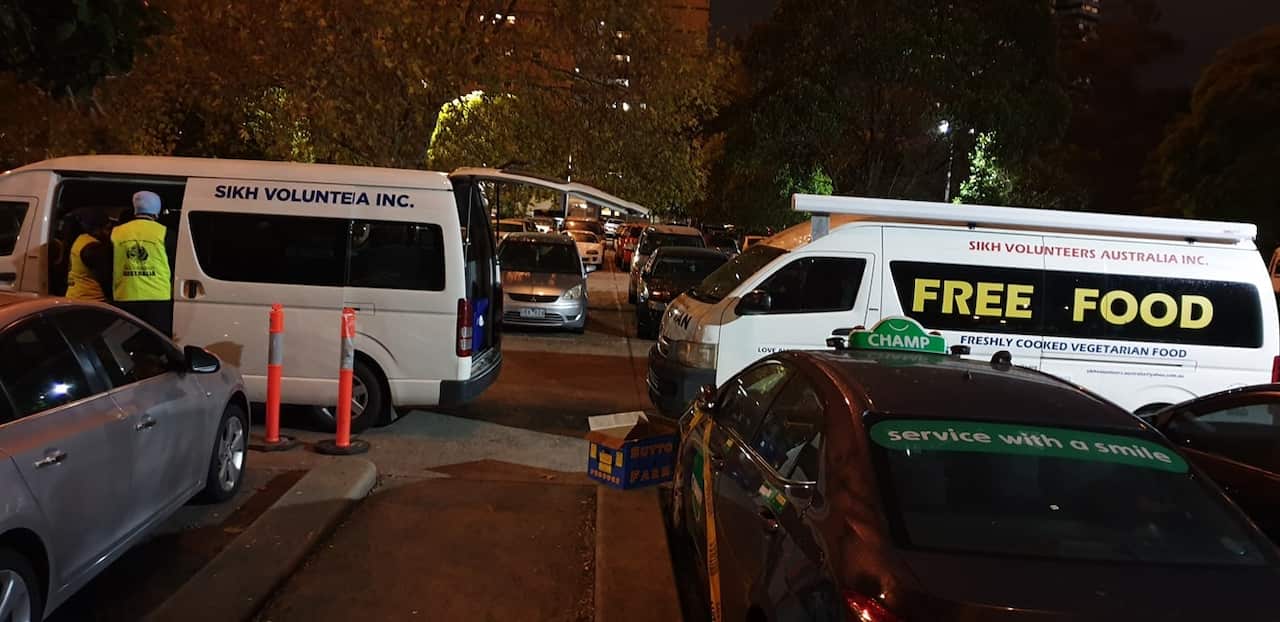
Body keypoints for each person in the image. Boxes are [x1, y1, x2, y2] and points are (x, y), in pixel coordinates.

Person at [112, 191, 172, 335]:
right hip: (158, 298)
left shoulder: (116, 232)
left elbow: (108, 265)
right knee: (155, 341)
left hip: (125, 295)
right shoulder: (165, 232)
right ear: (157, 212)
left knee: (126, 341)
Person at [64, 209, 114, 302]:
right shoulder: (94, 249)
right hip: (92, 300)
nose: (110, 232)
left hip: (76, 296)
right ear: (97, 229)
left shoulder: (81, 240)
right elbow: (106, 280)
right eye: (107, 228)